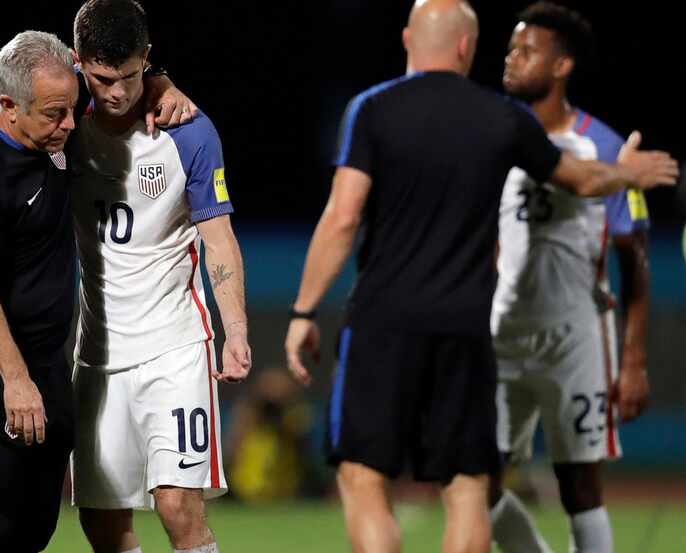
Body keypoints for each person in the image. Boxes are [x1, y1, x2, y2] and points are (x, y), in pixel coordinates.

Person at [283, 1, 677, 552]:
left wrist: (304, 310)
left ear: (406, 39)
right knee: (467, 485)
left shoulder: (371, 109)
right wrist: (627, 172)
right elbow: (581, 180)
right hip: (469, 329)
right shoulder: (503, 118)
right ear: (467, 46)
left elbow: (343, 215)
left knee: (363, 476)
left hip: (384, 322)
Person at [0, 28, 198, 553]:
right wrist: (14, 381)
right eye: (53, 114)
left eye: (70, 109)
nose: (68, 125)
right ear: (8, 105)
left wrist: (161, 81)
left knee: (35, 530)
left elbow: (116, 70)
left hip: (51, 368)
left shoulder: (53, 121)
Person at [67, 2, 251, 553]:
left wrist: (235, 329)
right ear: (78, 63)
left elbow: (218, 238)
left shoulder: (187, 131)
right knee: (102, 522)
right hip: (96, 353)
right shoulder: (62, 117)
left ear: (147, 59)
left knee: (176, 505)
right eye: (102, 78)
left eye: (129, 76)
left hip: (175, 348)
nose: (117, 92)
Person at [489, 4, 651, 553]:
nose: (511, 59)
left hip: (577, 339)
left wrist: (632, 359)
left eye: (526, 50)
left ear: (561, 66)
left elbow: (634, 256)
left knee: (579, 484)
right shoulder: (493, 137)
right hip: (502, 336)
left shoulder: (603, 146)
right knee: (474, 478)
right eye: (510, 48)